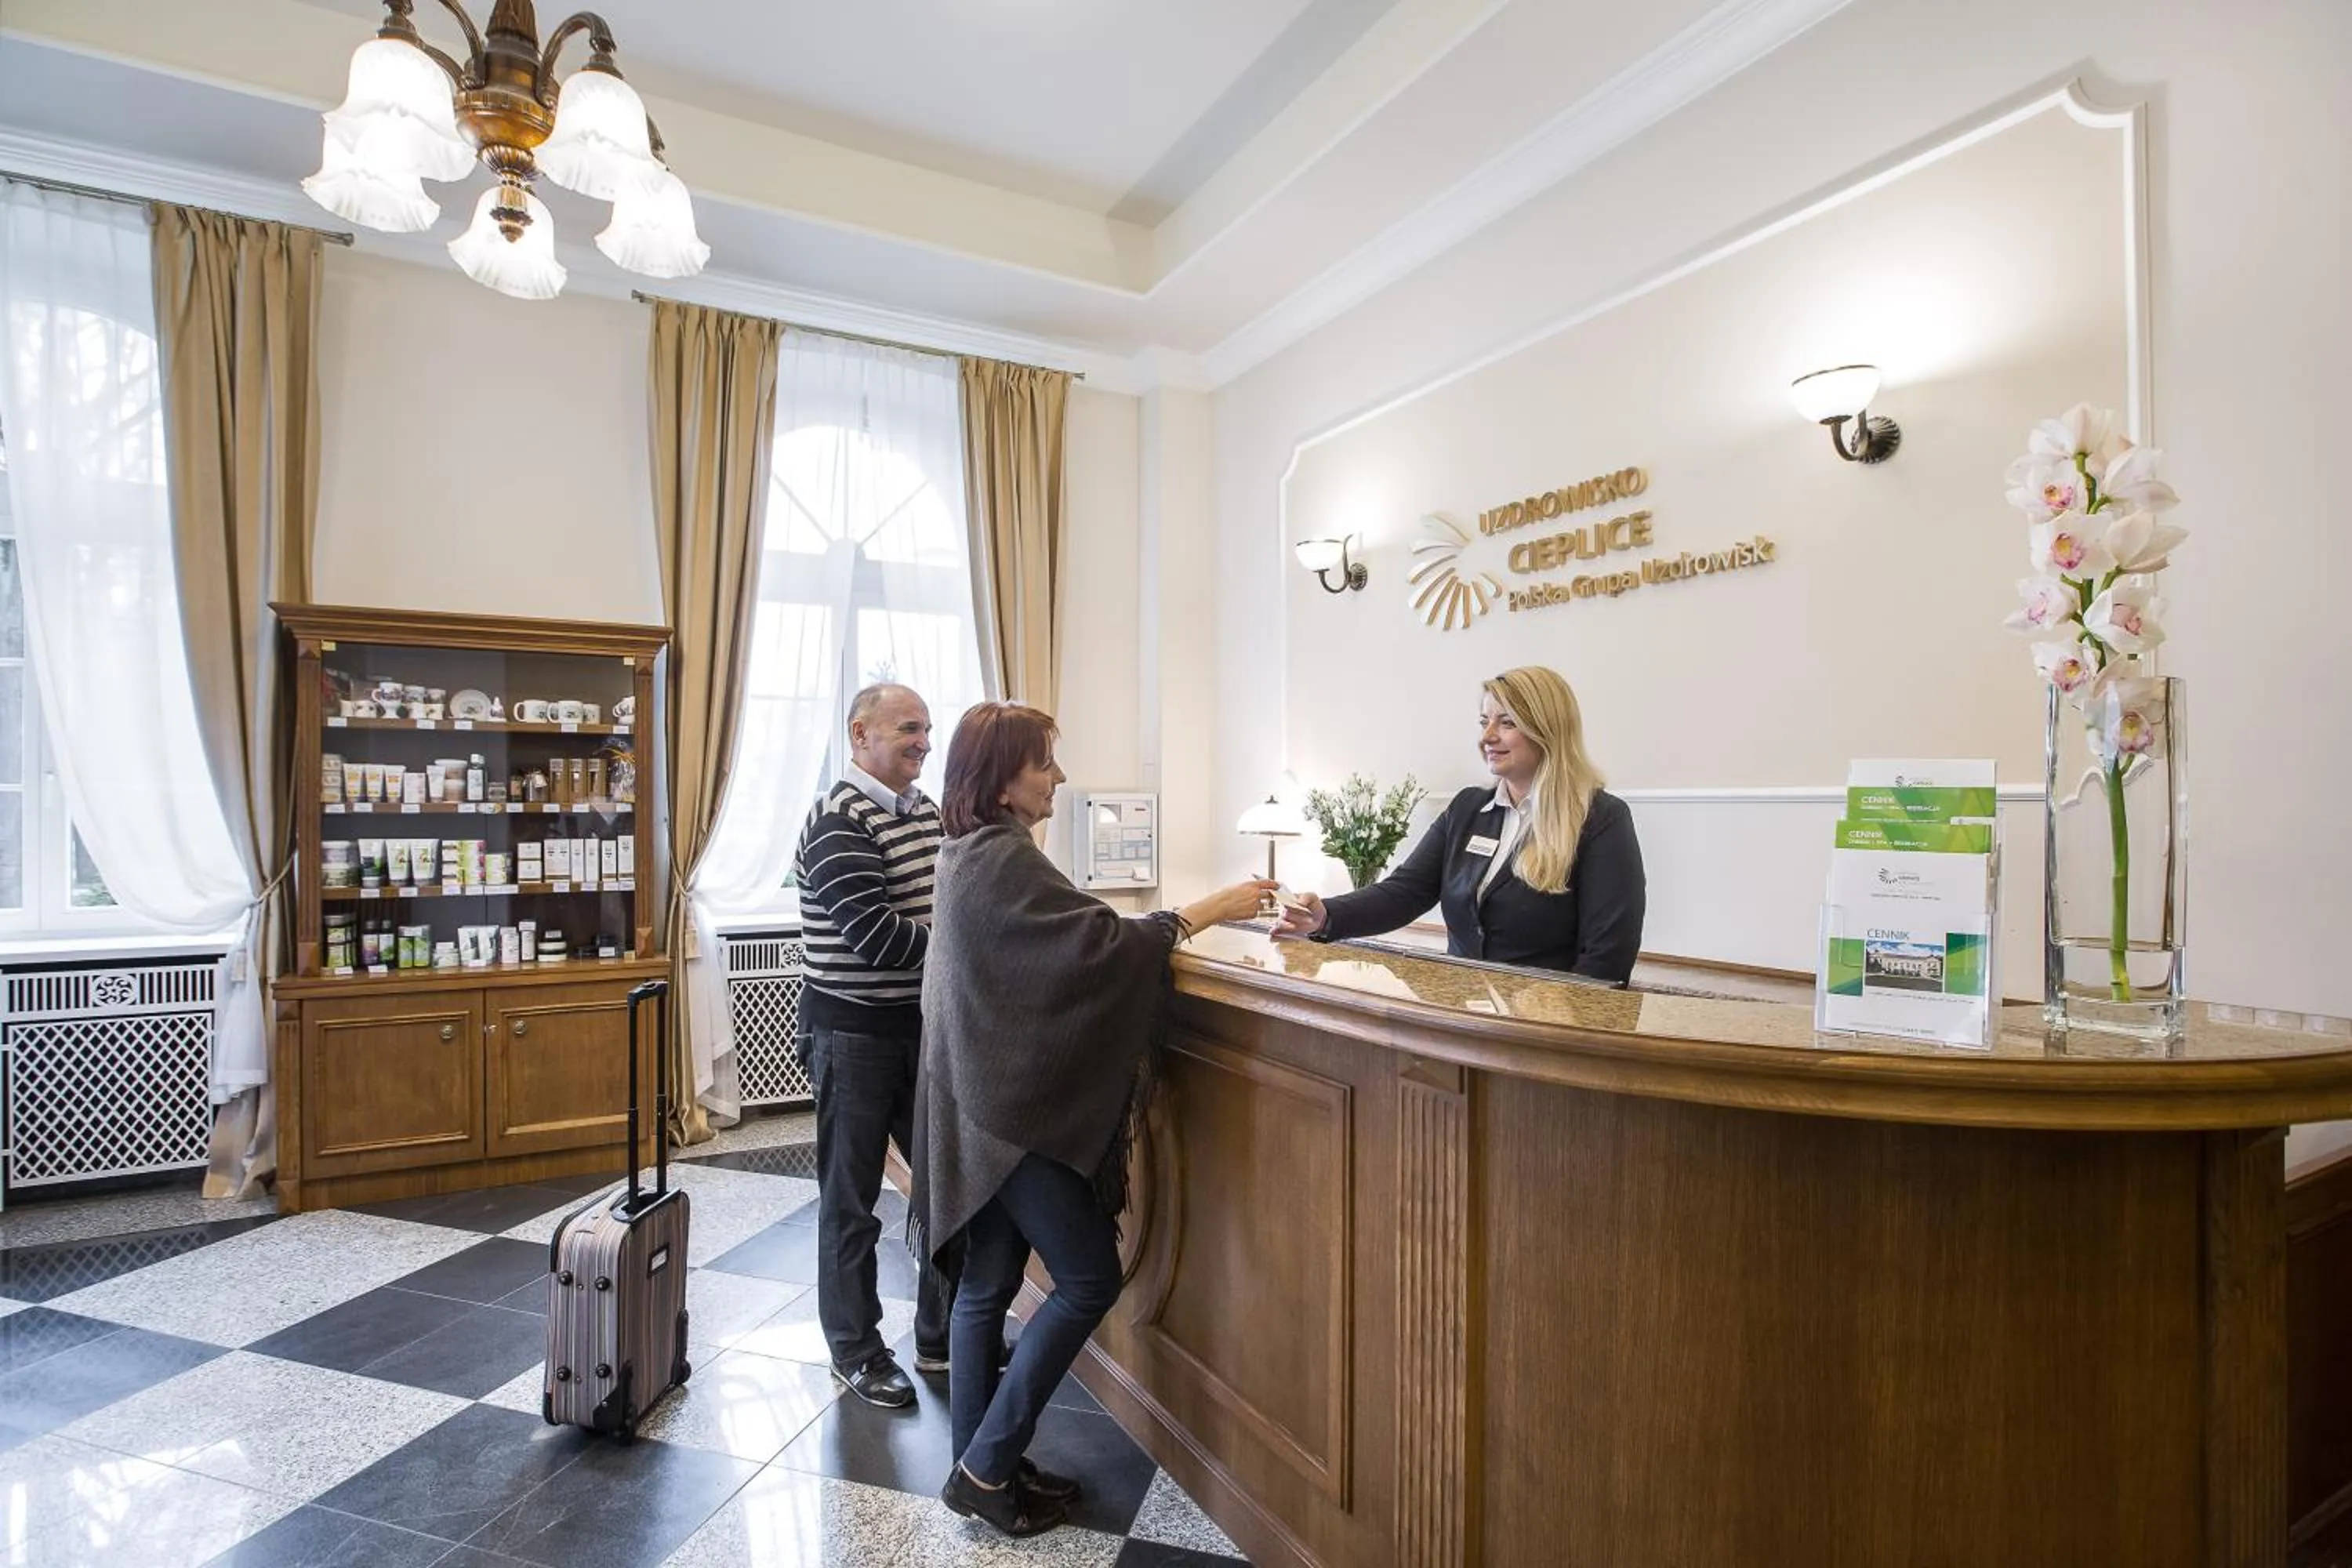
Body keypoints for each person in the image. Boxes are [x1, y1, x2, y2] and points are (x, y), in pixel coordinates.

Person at [912, 702, 1273, 1537]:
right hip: (1008, 1119)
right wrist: (1213, 906)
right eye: (1045, 763)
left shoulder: (969, 850)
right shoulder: (1000, 858)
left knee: (985, 1286)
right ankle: (987, 1462)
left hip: (977, 1113)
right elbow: (1102, 948)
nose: (1059, 778)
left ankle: (981, 1466)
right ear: (1004, 777)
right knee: (1086, 1281)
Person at [791, 681, 965, 1410]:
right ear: (860, 733)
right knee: (852, 1201)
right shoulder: (838, 818)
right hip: (853, 1034)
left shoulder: (926, 812)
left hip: (921, 1031)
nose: (924, 742)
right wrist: (973, 947)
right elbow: (878, 938)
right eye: (907, 730)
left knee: (944, 1191)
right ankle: (856, 1352)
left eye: (927, 729)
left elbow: (951, 903)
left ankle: (938, 1338)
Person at [1272, 665, 1646, 982]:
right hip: (1462, 1019)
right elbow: (1405, 892)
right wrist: (1326, 915)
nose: (1487, 737)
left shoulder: (1601, 819)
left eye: (1506, 723)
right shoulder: (1467, 808)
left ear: (1546, 730)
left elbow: (1607, 957)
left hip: (1541, 1037)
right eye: (1485, 722)